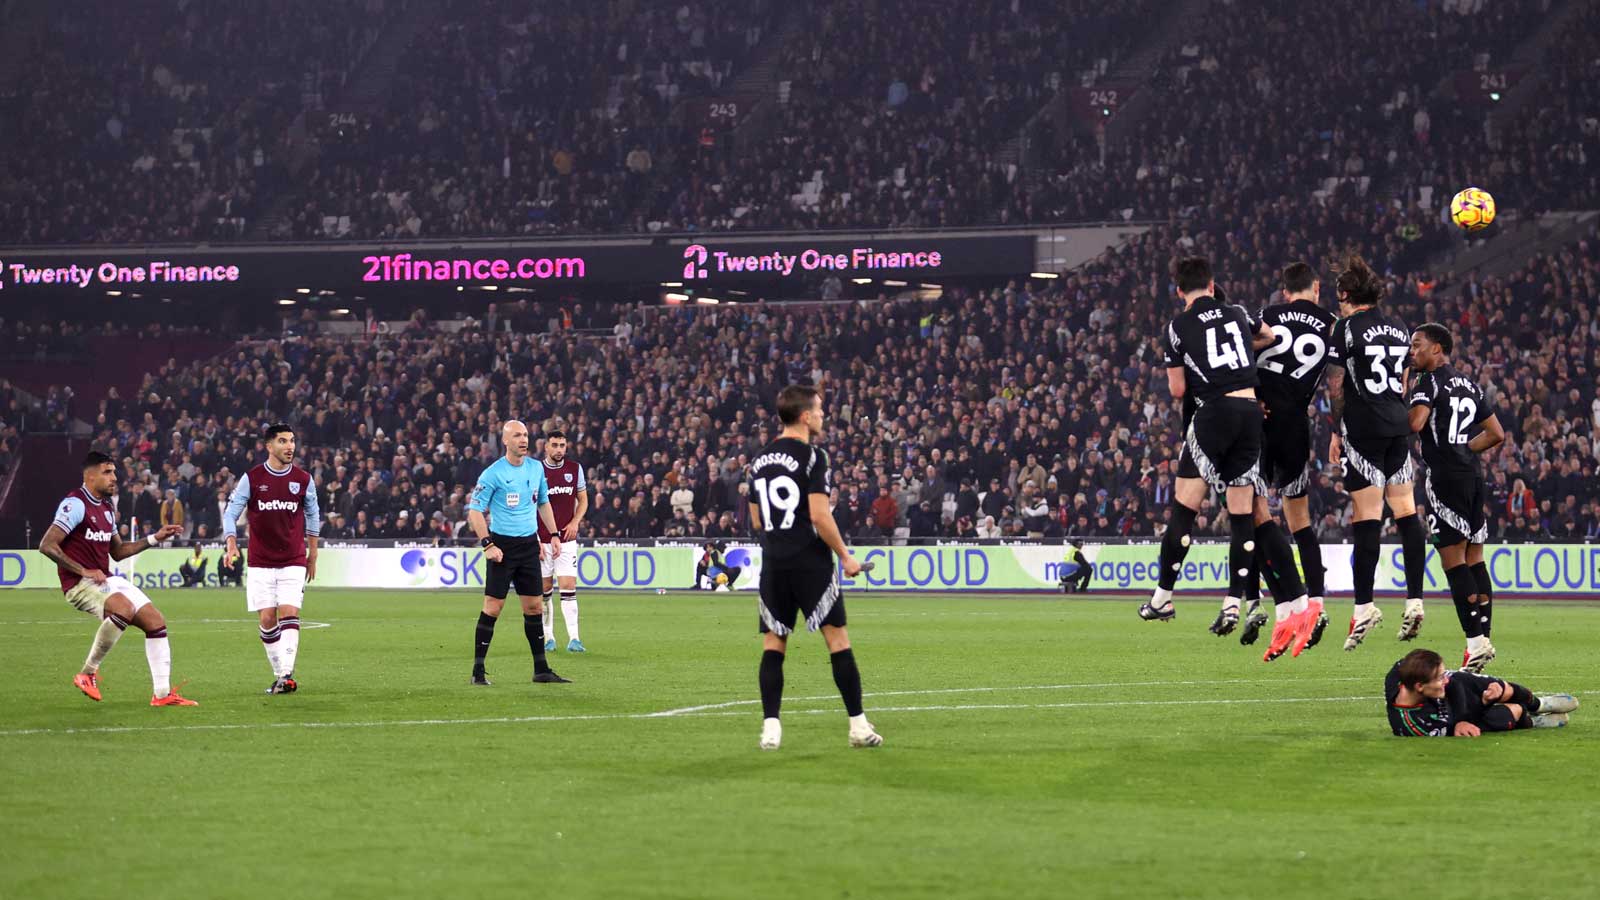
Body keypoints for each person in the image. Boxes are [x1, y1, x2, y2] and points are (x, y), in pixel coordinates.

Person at [1140, 258, 1307, 635]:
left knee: (1185, 508)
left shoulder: (1177, 326)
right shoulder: (1235, 312)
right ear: (1213, 285)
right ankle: (1234, 603)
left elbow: (1178, 390)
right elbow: (1271, 336)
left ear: (1180, 291)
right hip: (1250, 413)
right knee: (1241, 515)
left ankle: (1162, 597)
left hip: (1215, 412)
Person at [746, 384, 881, 751]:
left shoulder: (758, 460)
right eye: (819, 409)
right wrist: (846, 556)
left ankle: (771, 727)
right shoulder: (812, 457)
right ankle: (857, 726)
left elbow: (757, 518)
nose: (823, 415)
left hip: (774, 563)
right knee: (837, 641)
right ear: (805, 416)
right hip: (810, 561)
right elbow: (821, 516)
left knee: (774, 644)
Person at [1326, 254, 1429, 650]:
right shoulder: (1399, 326)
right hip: (1396, 426)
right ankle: (1415, 600)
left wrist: (1337, 431)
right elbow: (1404, 380)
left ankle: (1365, 605)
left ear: (1347, 294)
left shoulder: (1345, 328)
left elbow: (1336, 387)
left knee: (1366, 517)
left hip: (1364, 427)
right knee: (1406, 512)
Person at [38, 451, 192, 706]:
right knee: (124, 608)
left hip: (104, 579)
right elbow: (47, 545)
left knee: (156, 622)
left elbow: (118, 552)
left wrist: (155, 538)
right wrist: (83, 570)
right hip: (79, 583)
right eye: (107, 472)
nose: (114, 478)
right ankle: (87, 673)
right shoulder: (76, 503)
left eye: (114, 472)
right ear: (89, 476)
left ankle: (162, 695)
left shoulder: (107, 507)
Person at [1250, 262, 1337, 660]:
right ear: (1316, 288)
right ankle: (1316, 602)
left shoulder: (1267, 316)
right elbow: (1337, 384)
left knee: (1254, 514)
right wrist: (1337, 431)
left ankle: (1286, 605)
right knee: (1299, 518)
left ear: (1285, 292)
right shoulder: (1332, 324)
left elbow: (1243, 359)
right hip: (1295, 425)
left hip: (1260, 418)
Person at [1408, 323, 1506, 672]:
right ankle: (1484, 639)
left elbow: (1417, 423)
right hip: (1472, 477)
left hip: (1445, 478)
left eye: (1418, 345)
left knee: (1453, 561)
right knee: (1475, 556)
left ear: (1438, 349)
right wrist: (1466, 448)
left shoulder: (1427, 382)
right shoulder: (1468, 383)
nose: (1412, 351)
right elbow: (1496, 433)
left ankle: (1475, 642)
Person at [467, 419, 569, 686]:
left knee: (535, 607)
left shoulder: (536, 469)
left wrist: (554, 534)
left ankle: (541, 670)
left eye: (525, 435)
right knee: (493, 606)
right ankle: (478, 671)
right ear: (505, 441)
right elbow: (475, 511)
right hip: (502, 546)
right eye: (517, 436)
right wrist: (488, 544)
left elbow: (543, 503)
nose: (523, 440)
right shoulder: (492, 474)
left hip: (528, 546)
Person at [224, 423, 321, 695]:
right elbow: (231, 513)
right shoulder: (252, 478)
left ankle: (287, 674)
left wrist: (312, 553)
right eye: (283, 441)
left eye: (292, 441)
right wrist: (231, 542)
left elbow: (313, 515)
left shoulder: (303, 479)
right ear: (269, 446)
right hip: (260, 562)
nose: (290, 446)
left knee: (289, 612)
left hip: (292, 559)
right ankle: (280, 674)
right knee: (267, 619)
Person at [1385, 648, 1578, 736]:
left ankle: (1539, 704)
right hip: (1452, 718)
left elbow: (1454, 684)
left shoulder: (1401, 672)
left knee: (1496, 688)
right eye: (1439, 678)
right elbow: (1460, 722)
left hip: (1456, 700)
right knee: (1510, 713)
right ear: (1419, 686)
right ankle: (1531, 720)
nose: (1445, 679)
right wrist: (1482, 704)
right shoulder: (1418, 725)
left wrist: (1490, 694)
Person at [537, 427, 589, 653]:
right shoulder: (536, 470)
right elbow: (529, 506)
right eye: (555, 445)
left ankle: (574, 638)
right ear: (546, 446)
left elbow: (583, 500)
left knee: (568, 587)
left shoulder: (575, 469)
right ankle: (548, 637)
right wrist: (535, 538)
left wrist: (576, 521)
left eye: (562, 446)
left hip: (566, 539)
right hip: (542, 540)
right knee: (545, 589)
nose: (559, 450)